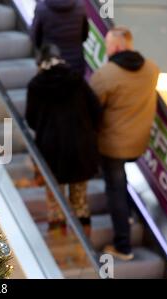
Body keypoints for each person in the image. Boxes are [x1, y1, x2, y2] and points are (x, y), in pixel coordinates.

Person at [90, 26, 160, 261]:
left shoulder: (106, 75)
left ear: (117, 47)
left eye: (108, 44)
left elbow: (91, 108)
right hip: (138, 142)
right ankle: (129, 213)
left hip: (113, 145)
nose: (107, 48)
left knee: (115, 188)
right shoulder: (151, 68)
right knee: (120, 179)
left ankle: (123, 246)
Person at [26, 44, 102, 234]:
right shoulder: (77, 80)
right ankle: (83, 251)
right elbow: (96, 110)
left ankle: (60, 251)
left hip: (51, 153)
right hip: (80, 149)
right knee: (80, 202)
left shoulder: (36, 85)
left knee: (55, 204)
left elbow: (31, 119)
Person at [30, 0, 89, 75]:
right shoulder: (80, 6)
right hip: (75, 66)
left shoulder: (41, 8)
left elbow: (35, 38)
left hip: (50, 65)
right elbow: (85, 36)